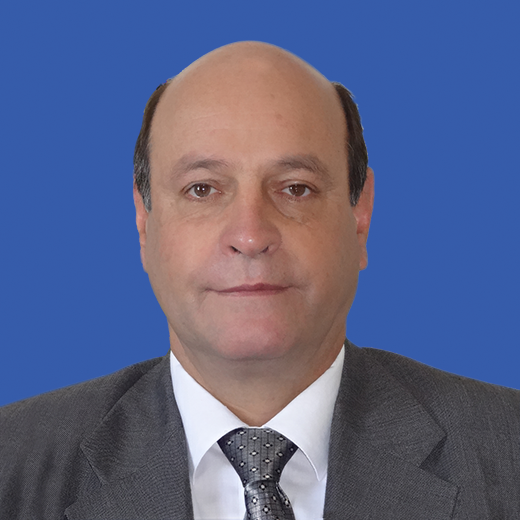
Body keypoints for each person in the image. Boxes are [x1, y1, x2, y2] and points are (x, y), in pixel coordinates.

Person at [0, 41, 518, 520]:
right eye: (202, 189)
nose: (249, 236)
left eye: (295, 188)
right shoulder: (13, 464)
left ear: (359, 216)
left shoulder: (507, 452)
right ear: (143, 221)